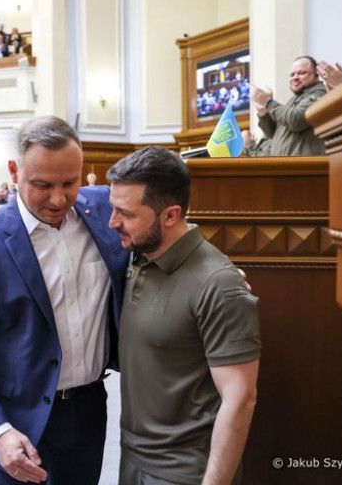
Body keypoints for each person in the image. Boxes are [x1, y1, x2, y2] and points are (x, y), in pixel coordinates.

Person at [0, 115, 128, 484]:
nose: (59, 199)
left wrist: (211, 274)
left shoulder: (105, 208)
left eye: (70, 183)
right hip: (18, 421)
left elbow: (165, 230)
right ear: (15, 172)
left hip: (90, 409)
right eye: (43, 185)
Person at [106, 147, 260, 485]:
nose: (112, 222)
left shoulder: (219, 284)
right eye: (112, 207)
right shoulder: (137, 251)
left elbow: (240, 398)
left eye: (125, 213)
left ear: (171, 215)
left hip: (185, 471)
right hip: (131, 457)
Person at [245, 56, 326, 156]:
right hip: (286, 164)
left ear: (316, 75)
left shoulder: (320, 94)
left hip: (305, 164)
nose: (295, 77)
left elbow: (295, 120)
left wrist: (269, 103)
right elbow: (272, 134)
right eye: (292, 74)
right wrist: (263, 112)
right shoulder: (294, 99)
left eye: (301, 73)